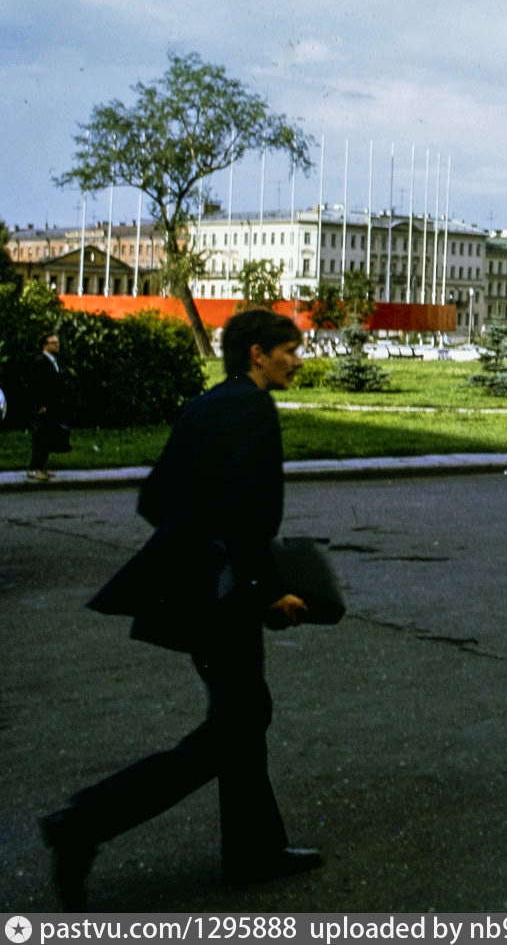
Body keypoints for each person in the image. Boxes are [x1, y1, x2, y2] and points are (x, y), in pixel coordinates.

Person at [39, 309, 322, 910]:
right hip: (225, 594)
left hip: (196, 590)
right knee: (238, 723)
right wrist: (264, 589)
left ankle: (254, 850)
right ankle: (82, 823)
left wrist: (193, 549)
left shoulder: (204, 405)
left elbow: (155, 498)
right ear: (256, 354)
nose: (298, 360)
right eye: (289, 350)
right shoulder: (253, 410)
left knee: (242, 714)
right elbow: (245, 515)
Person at [26, 330, 67, 481]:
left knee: (47, 436)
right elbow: (36, 385)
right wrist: (40, 405)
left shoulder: (51, 361)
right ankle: (35, 468)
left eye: (57, 342)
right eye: (53, 343)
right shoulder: (41, 362)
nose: (57, 345)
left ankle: (40, 467)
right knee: (41, 437)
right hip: (44, 407)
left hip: (51, 405)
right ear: (45, 345)